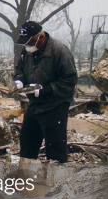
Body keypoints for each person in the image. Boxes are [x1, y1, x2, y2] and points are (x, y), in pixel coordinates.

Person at [14, 21, 77, 163]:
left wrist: (45, 90)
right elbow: (19, 69)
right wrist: (19, 79)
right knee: (27, 140)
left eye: (29, 42)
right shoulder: (27, 51)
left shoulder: (59, 51)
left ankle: (56, 180)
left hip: (55, 105)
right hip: (35, 104)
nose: (26, 46)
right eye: (25, 43)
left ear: (40, 37)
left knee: (55, 147)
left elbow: (69, 81)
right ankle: (25, 177)